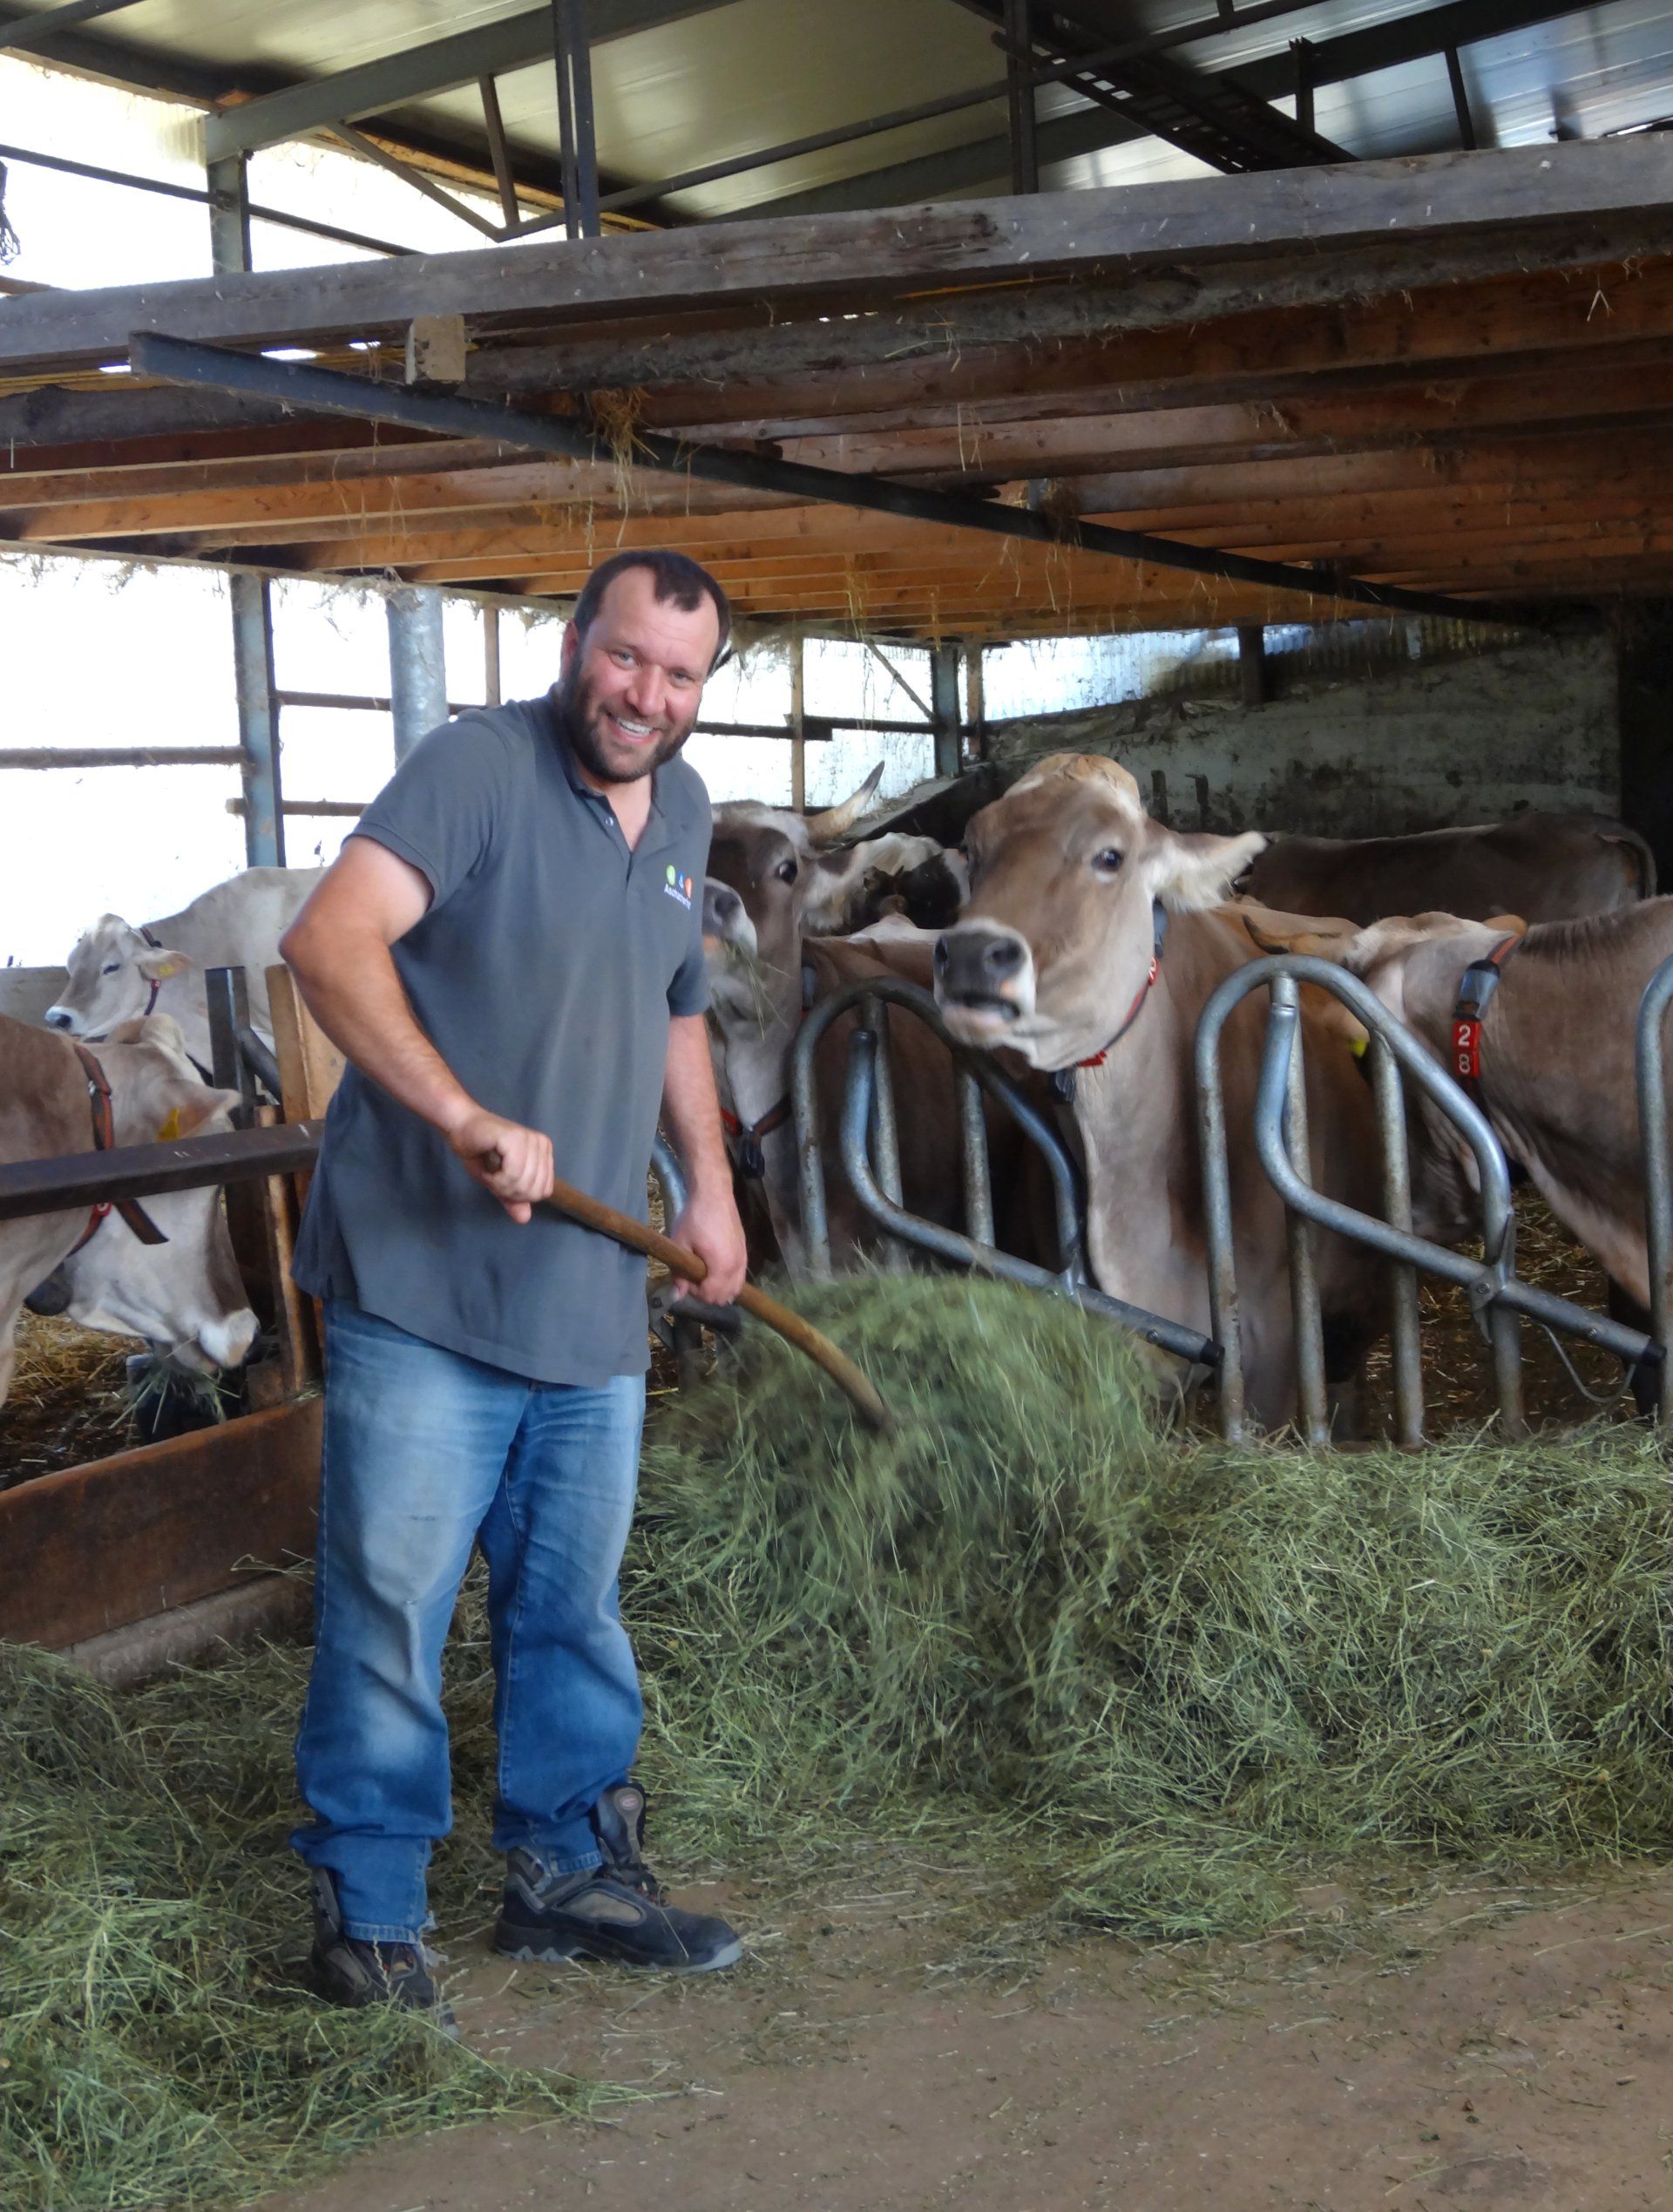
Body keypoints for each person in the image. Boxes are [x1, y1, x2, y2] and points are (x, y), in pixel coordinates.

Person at [280, 549, 750, 2017]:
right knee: (394, 1600)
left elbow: (677, 1008)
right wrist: (462, 1112)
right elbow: (327, 940)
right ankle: (370, 1914)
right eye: (626, 661)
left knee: (572, 1605)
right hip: (429, 1277)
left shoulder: (679, 809)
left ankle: (563, 1870)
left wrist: (712, 1186)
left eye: (678, 676)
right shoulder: (474, 767)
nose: (646, 698)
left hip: (591, 1291)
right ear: (574, 645)